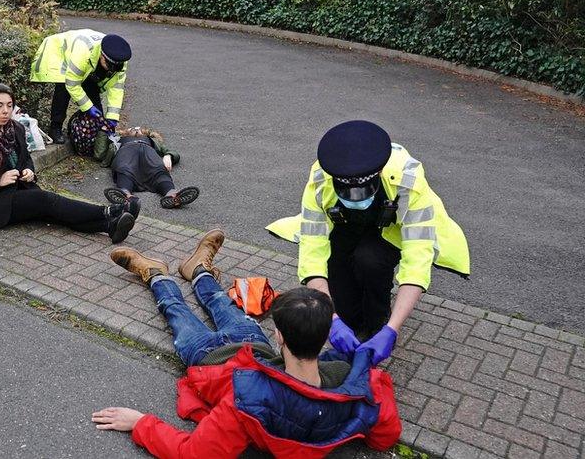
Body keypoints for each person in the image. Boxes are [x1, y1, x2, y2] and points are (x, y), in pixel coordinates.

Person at [93, 230, 401, 458]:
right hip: (253, 347)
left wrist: (140, 423)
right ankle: (197, 268)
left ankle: (154, 273)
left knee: (177, 309)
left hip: (209, 357)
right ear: (324, 337)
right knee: (214, 301)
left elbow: (192, 454)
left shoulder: (248, 399)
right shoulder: (354, 381)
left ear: (279, 334)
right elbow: (387, 434)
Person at [267, 120, 470, 366]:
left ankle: (376, 324)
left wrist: (391, 330)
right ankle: (352, 323)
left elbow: (417, 261)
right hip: (342, 226)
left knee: (369, 260)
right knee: (344, 303)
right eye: (347, 193)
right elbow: (313, 252)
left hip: (388, 232)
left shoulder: (408, 180)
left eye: (363, 192)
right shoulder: (320, 179)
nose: (355, 198)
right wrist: (331, 319)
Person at [0, 83, 139, 243]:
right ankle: (109, 211)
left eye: (9, 105)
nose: (5, 111)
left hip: (18, 190)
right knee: (46, 201)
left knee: (51, 211)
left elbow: (25, 159)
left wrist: (28, 171)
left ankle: (109, 225)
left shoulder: (15, 128)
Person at [30, 29, 131, 144]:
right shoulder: (83, 52)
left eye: (114, 67)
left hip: (88, 62)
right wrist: (88, 107)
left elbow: (116, 89)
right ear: (102, 55)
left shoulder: (120, 60)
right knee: (63, 88)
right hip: (60, 54)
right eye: (109, 65)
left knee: (92, 88)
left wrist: (112, 117)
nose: (111, 69)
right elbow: (72, 84)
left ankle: (97, 131)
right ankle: (55, 127)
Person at [95, 126, 200, 209]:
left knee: (159, 170)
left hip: (149, 153)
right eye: (132, 128)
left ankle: (173, 195)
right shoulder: (117, 139)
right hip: (126, 153)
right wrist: (103, 131)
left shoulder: (152, 141)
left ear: (145, 133)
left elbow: (174, 153)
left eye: (139, 129)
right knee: (124, 169)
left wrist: (168, 156)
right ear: (125, 132)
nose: (136, 129)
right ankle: (126, 196)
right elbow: (99, 154)